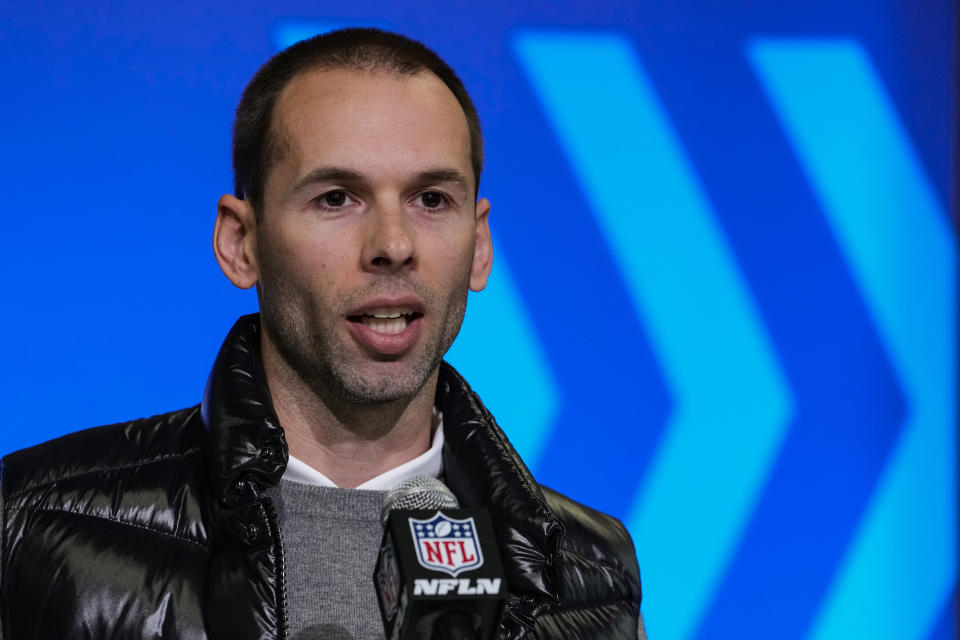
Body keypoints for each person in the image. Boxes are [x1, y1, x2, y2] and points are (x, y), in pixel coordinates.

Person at [0, 28, 645, 639]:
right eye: (337, 198)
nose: (393, 245)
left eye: (431, 200)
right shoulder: (30, 524)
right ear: (240, 242)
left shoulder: (594, 573)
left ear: (479, 245)